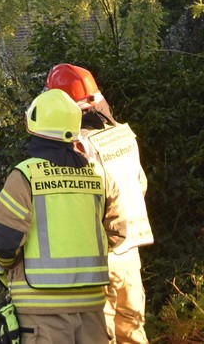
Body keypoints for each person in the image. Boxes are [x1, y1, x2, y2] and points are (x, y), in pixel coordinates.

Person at [0, 89, 126, 343]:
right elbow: (118, 233)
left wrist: (9, 266)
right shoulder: (99, 174)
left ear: (33, 124)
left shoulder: (25, 176)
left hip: (40, 310)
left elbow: (5, 243)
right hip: (92, 304)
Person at [47, 63, 153, 344]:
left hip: (98, 257)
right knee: (132, 332)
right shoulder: (123, 134)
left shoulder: (77, 148)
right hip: (129, 252)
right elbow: (140, 185)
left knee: (99, 337)